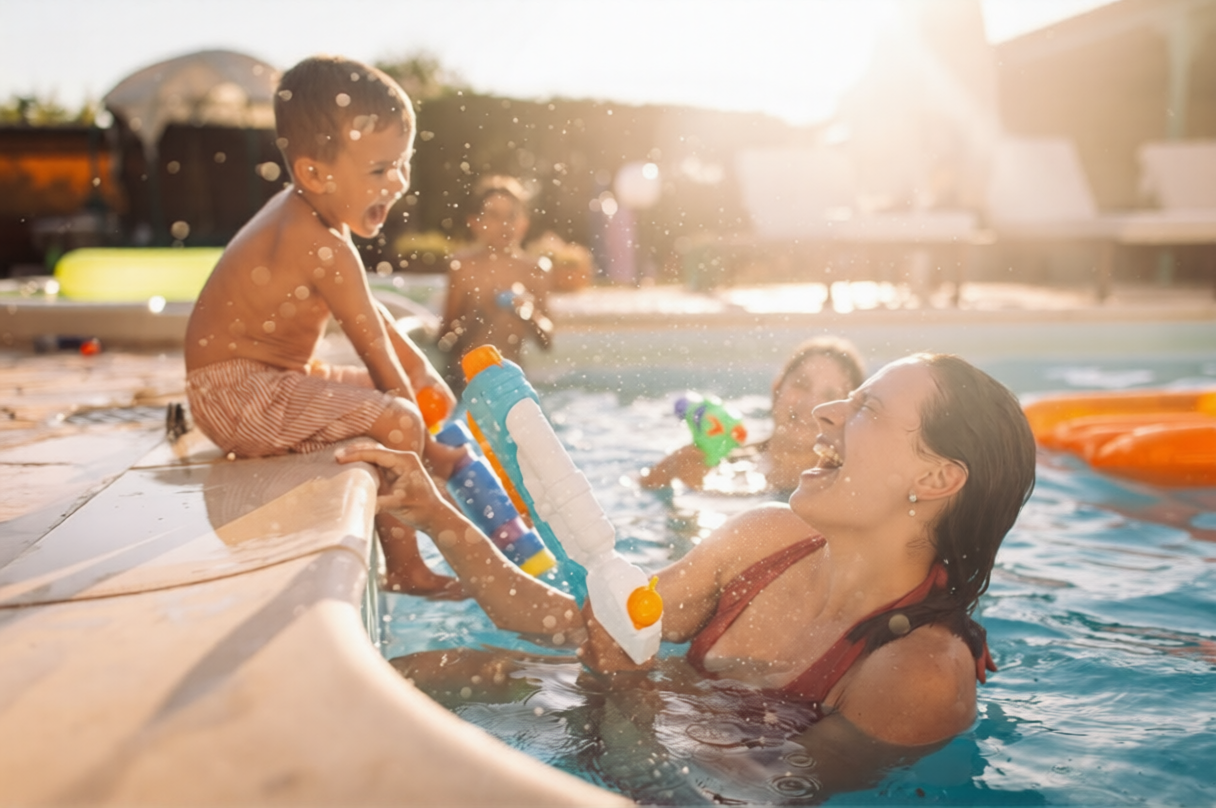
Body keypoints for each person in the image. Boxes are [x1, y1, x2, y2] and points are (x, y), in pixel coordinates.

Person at [337, 352, 1036, 751]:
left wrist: (628, 689)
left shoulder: (920, 675)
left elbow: (757, 799)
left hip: (653, 752)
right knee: (433, 670)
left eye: (865, 409)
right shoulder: (765, 540)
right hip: (646, 719)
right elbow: (581, 623)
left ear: (936, 478)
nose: (823, 417)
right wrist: (433, 514)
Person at [183, 55, 463, 598]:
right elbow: (376, 355)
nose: (398, 182)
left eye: (402, 163)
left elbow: (374, 318)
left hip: (256, 384)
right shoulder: (323, 244)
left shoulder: (306, 214)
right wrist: (428, 450)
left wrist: (427, 374)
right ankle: (406, 567)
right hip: (239, 396)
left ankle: (407, 542)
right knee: (399, 420)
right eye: (380, 170)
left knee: (399, 403)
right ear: (315, 173)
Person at [641, 336, 866, 493]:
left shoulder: (847, 489)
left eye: (830, 395)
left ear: (848, 417)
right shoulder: (724, 460)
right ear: (777, 389)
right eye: (801, 384)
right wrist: (674, 473)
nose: (811, 404)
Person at [437, 176, 554, 394]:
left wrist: (529, 314)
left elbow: (547, 340)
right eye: (494, 216)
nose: (505, 225)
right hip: (465, 382)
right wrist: (480, 315)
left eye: (511, 216)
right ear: (475, 222)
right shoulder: (463, 268)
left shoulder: (535, 270)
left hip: (513, 382)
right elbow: (444, 342)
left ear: (523, 223)